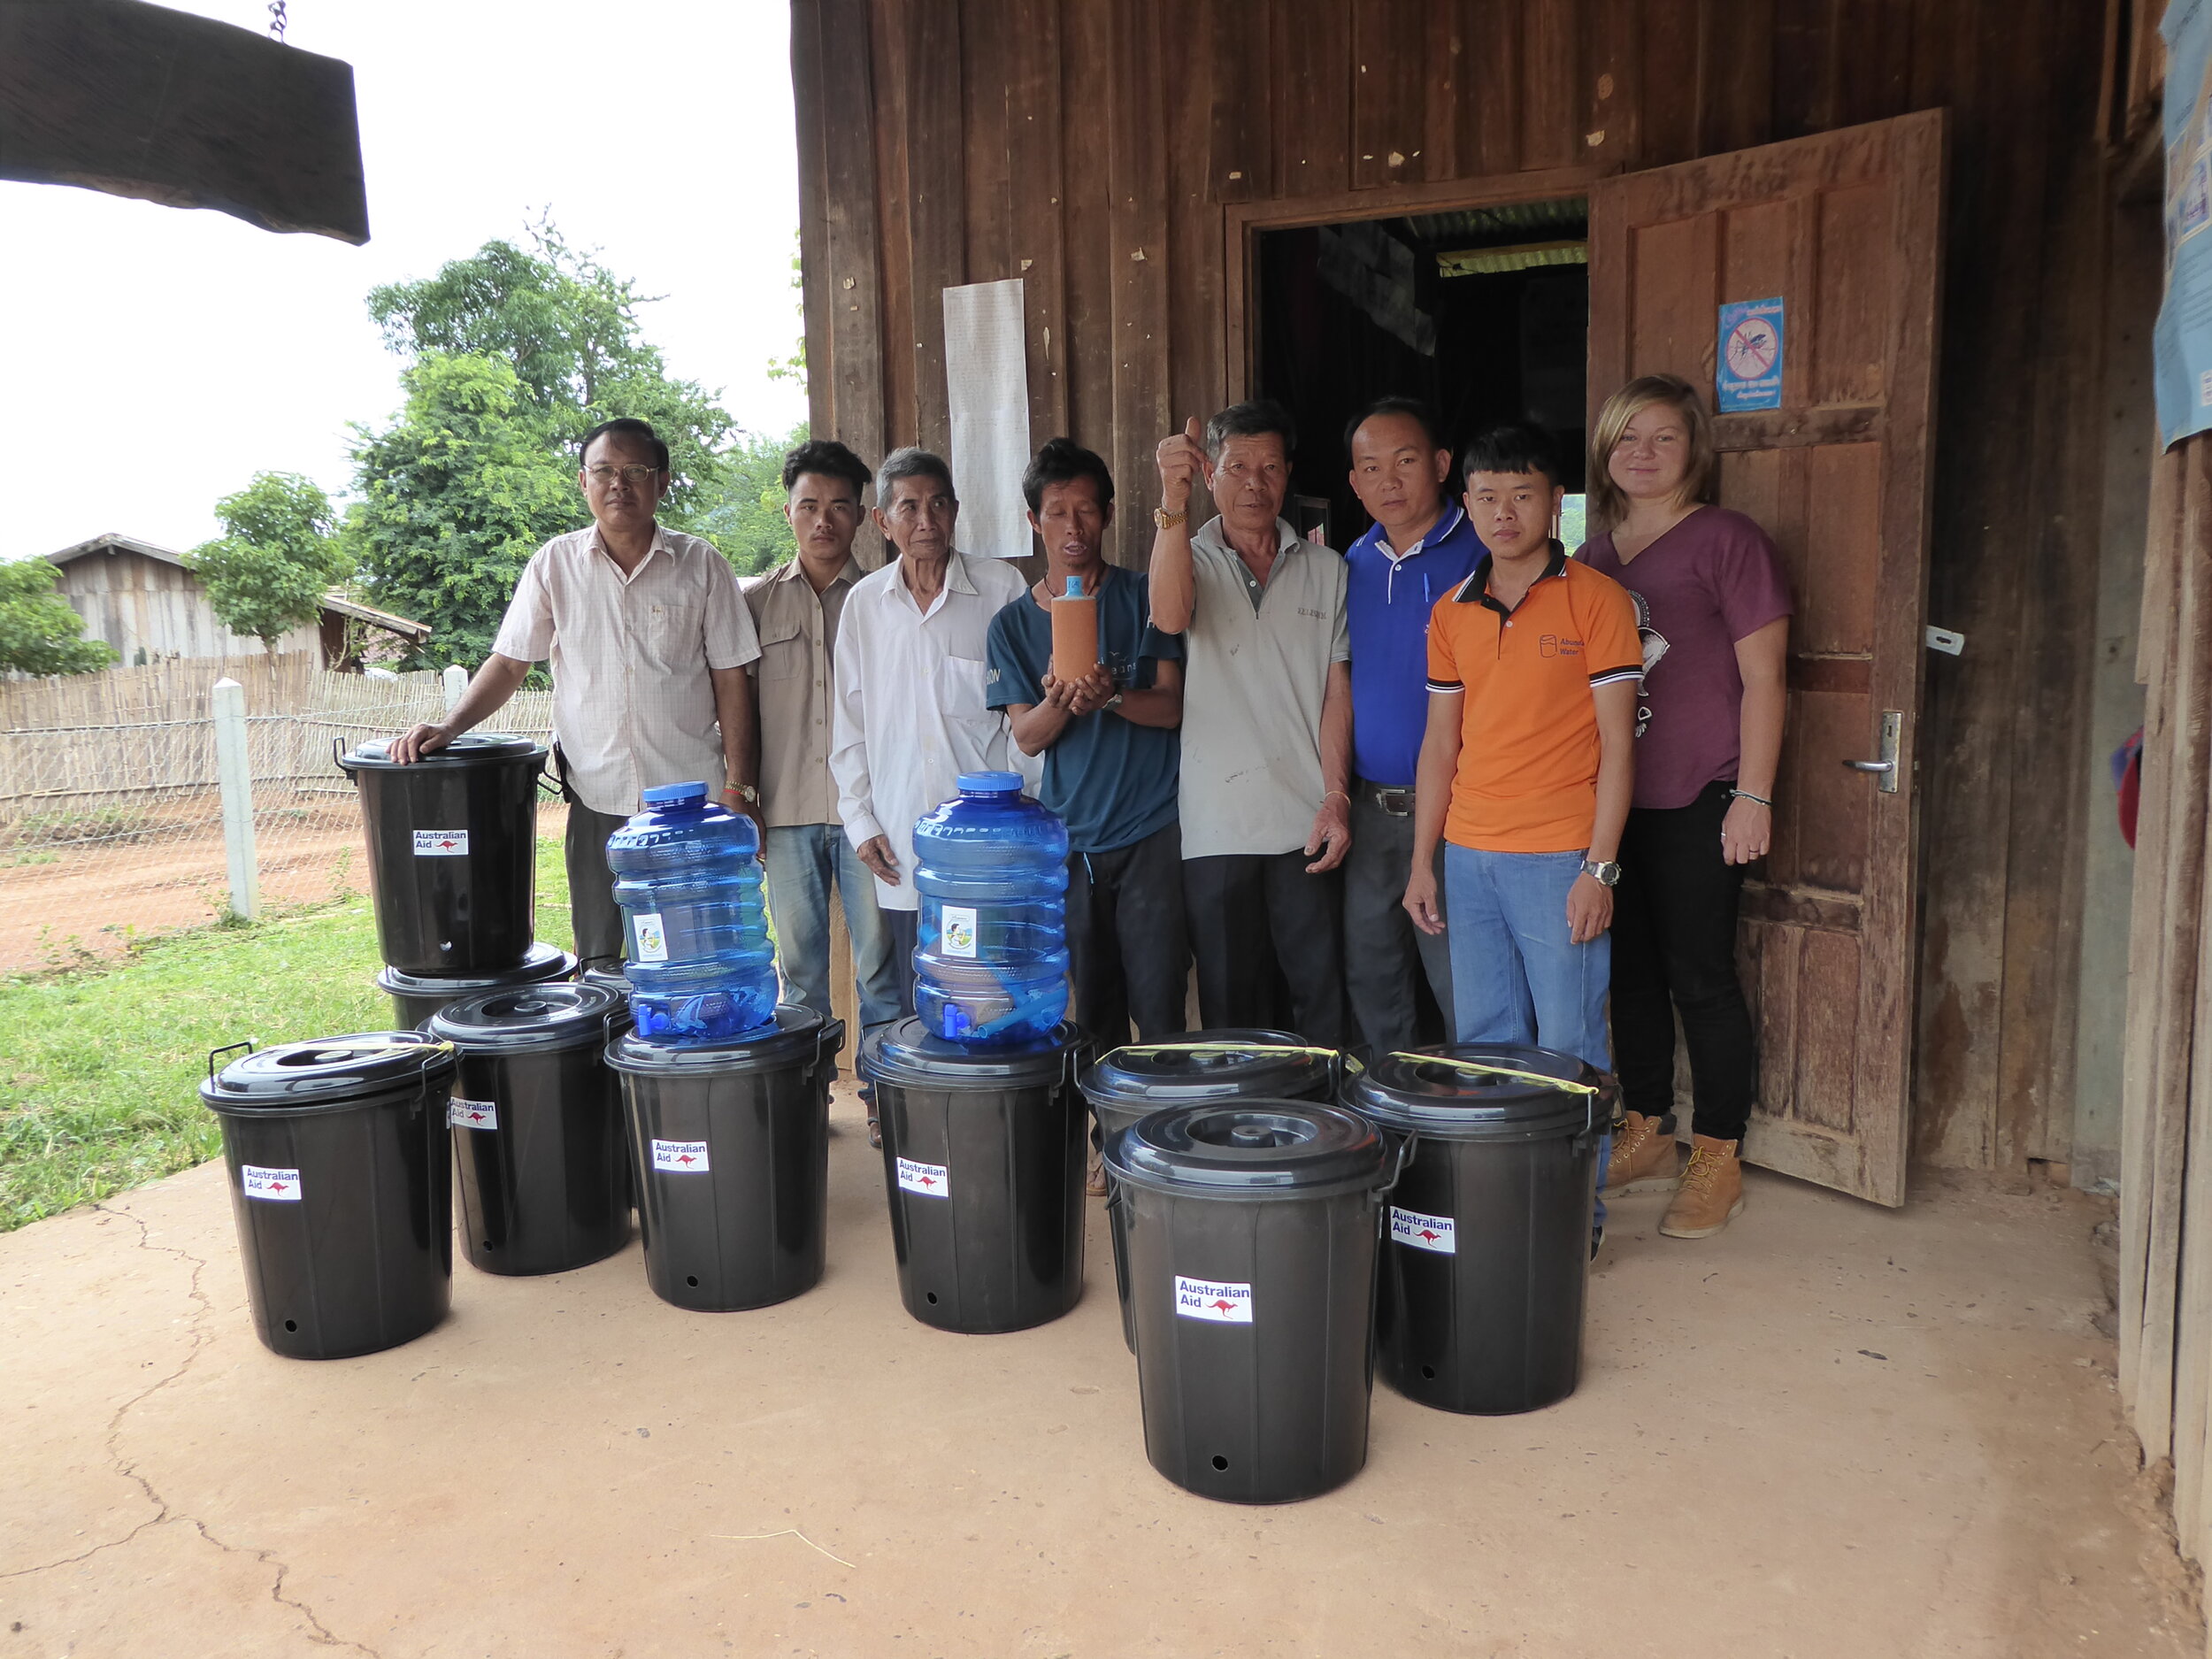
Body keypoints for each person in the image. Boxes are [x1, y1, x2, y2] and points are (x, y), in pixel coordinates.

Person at [390, 417, 761, 968]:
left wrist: (739, 788)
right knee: (601, 960)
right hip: (597, 799)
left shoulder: (702, 564)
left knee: (696, 955)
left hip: (690, 803)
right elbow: (511, 662)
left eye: (636, 471)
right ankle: (610, 1053)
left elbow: (732, 678)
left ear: (662, 482)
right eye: (604, 471)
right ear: (582, 482)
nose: (620, 484)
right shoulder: (554, 565)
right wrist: (449, 727)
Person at [1581, 374, 1792, 1240]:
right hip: (1614, 801)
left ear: (1693, 449)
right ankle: (1648, 1128)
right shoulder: (1593, 556)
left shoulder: (1727, 540)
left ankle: (1718, 1152)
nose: (1642, 453)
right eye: (1627, 438)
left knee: (1700, 979)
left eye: (1661, 438)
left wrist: (1752, 795)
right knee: (1626, 976)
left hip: (1704, 791)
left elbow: (1766, 678)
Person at [1404, 421, 1640, 1081]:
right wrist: (1424, 862)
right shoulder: (1453, 611)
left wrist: (1601, 868)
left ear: (1557, 499)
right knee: (1485, 1043)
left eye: (1522, 495)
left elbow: (1620, 745)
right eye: (1485, 497)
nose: (1503, 514)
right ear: (1467, 501)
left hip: (1561, 855)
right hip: (1471, 855)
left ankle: (1572, 1190)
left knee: (1570, 1042)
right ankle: (1501, 1188)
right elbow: (1440, 743)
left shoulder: (1598, 600)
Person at [1148, 402, 1353, 1047]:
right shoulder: (1187, 553)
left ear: (1289, 474)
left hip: (1306, 826)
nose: (1254, 483)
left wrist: (1337, 797)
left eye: (1269, 467)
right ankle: (1237, 1141)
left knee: (1318, 1001)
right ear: (1210, 474)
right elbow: (1172, 615)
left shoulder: (1328, 569)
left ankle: (1319, 1135)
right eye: (1237, 466)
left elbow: (1334, 696)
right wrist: (1170, 499)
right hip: (1219, 828)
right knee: (1233, 1012)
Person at [829, 447, 1028, 1071]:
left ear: (957, 511)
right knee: (893, 985)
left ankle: (979, 1099)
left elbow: (1024, 725)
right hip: (897, 839)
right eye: (908, 506)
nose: (926, 519)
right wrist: (860, 823)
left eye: (938, 503)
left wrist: (1018, 823)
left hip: (985, 849)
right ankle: (891, 1105)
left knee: (985, 987)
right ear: (882, 522)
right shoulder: (864, 606)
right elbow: (849, 727)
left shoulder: (1002, 590)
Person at [987, 437, 1187, 1052]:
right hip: (1074, 842)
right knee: (1093, 1008)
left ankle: (1158, 1142)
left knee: (1159, 1005)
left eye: (1087, 509)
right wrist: (1061, 699)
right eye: (1056, 511)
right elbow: (1026, 737)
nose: (1073, 526)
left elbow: (1175, 706)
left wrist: (1113, 697)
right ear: (1033, 520)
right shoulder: (1014, 625)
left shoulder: (1141, 596)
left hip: (1153, 831)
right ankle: (1108, 1140)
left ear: (1107, 512)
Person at [743, 438, 902, 1092]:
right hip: (784, 811)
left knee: (879, 963)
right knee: (801, 965)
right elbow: (736, 708)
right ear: (788, 513)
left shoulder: (884, 602)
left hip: (870, 815)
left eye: (839, 506)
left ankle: (883, 1094)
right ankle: (806, 1094)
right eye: (808, 505)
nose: (823, 520)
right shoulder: (752, 604)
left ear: (863, 517)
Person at [1340, 396, 1485, 1058]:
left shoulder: (1484, 555)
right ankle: (1393, 1125)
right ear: (1353, 482)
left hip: (1460, 816)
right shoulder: (1352, 564)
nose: (1388, 481)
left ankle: (1475, 1136)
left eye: (1405, 461)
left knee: (1465, 984)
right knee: (1374, 975)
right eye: (1371, 467)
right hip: (1372, 809)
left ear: (1443, 464)